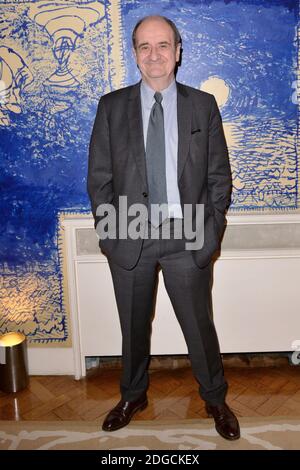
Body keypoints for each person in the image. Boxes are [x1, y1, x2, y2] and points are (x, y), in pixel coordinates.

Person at [87, 15, 240, 440]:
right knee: (132, 328)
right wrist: (110, 234)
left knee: (199, 325)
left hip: (187, 232)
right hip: (128, 234)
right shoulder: (111, 107)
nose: (154, 55)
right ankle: (132, 395)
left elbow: (218, 178)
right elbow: (99, 180)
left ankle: (214, 397)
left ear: (177, 51)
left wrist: (210, 232)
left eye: (163, 45)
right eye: (144, 46)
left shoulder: (201, 105)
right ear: (135, 54)